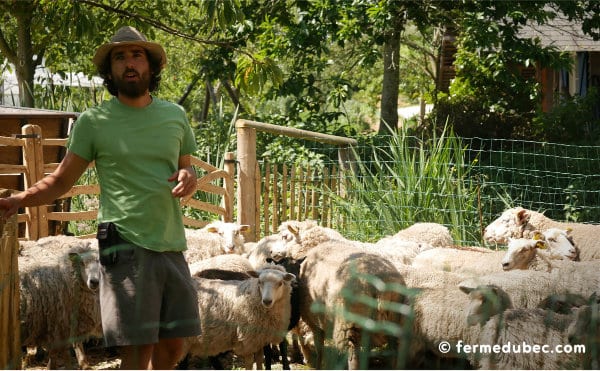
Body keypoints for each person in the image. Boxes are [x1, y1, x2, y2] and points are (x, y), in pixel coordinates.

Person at [0, 26, 201, 369]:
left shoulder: (175, 116)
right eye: (120, 58)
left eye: (137, 55)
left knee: (173, 347)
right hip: (125, 244)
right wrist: (18, 199)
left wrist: (189, 177)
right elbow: (62, 180)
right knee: (137, 352)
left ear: (151, 67)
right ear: (110, 72)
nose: (129, 63)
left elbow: (187, 170)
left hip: (170, 244)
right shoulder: (95, 122)